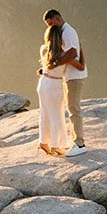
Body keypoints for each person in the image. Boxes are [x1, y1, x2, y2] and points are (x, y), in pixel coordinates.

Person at [43, 9, 88, 157]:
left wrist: (55, 63)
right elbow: (77, 52)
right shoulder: (64, 32)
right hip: (70, 75)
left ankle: (79, 144)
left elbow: (73, 53)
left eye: (51, 23)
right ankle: (77, 141)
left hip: (74, 76)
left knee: (73, 108)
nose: (50, 27)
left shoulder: (68, 32)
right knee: (71, 107)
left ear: (57, 18)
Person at [37, 19, 75, 154]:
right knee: (56, 115)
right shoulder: (63, 53)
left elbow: (45, 66)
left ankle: (43, 142)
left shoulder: (43, 49)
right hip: (55, 84)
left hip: (43, 82)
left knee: (44, 113)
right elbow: (77, 63)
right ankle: (55, 145)